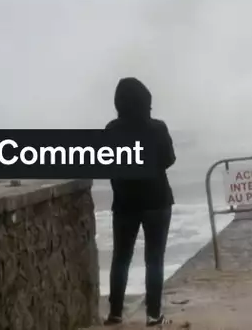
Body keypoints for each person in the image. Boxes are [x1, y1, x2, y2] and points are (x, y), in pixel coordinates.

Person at [104, 77, 175, 326]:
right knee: (154, 258)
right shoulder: (157, 128)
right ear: (146, 101)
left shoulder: (112, 130)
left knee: (121, 258)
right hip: (157, 200)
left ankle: (115, 312)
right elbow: (169, 159)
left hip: (125, 202)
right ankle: (153, 313)